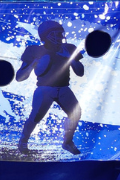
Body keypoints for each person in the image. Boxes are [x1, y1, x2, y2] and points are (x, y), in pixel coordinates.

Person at [16, 20, 84, 156]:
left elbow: (80, 72)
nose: (60, 37)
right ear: (45, 35)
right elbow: (19, 77)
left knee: (76, 113)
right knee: (35, 117)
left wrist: (70, 58)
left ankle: (67, 142)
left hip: (63, 87)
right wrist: (32, 65)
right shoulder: (35, 50)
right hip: (44, 89)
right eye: (56, 34)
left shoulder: (68, 48)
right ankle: (23, 141)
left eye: (60, 34)